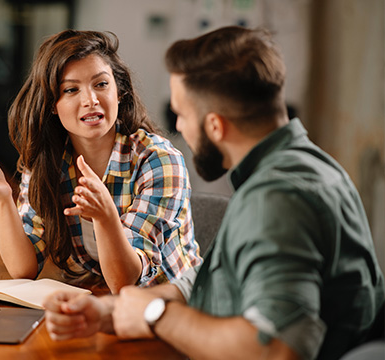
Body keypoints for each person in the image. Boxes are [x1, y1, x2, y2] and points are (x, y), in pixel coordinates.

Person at [42, 26, 385, 360]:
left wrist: (158, 316)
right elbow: (213, 280)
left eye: (181, 114)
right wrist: (109, 311)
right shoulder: (300, 167)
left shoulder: (277, 200)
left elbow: (276, 350)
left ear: (215, 126)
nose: (177, 127)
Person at [0, 29, 201, 294]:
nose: (90, 100)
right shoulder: (49, 162)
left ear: (120, 92)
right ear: (52, 105)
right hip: (102, 302)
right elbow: (23, 269)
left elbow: (125, 282)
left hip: (173, 308)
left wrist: (106, 218)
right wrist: (2, 199)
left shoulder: (158, 160)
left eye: (101, 84)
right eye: (71, 89)